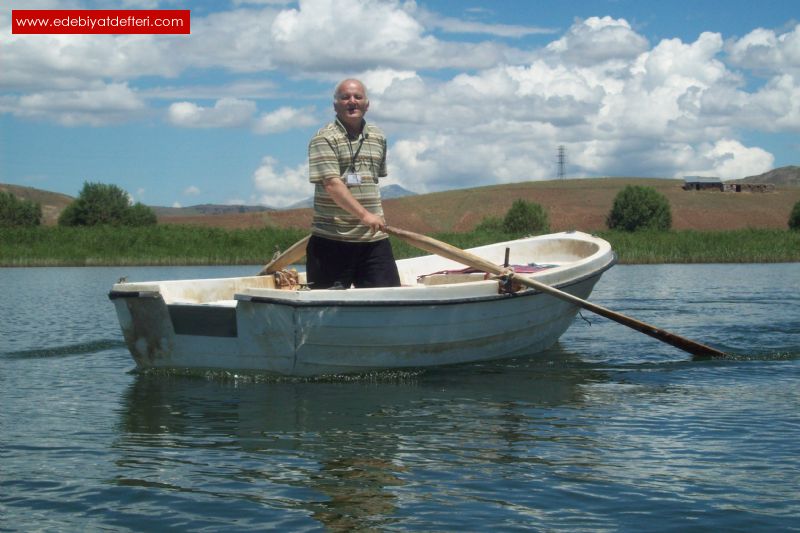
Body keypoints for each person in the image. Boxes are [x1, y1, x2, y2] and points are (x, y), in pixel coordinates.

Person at [305, 78, 401, 290]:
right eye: (345, 97)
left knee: (389, 300)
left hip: (374, 240)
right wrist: (366, 216)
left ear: (367, 104)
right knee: (327, 309)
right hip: (332, 241)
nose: (352, 101)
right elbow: (332, 185)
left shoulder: (378, 137)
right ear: (335, 105)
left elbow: (373, 180)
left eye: (358, 97)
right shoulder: (324, 139)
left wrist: (373, 219)